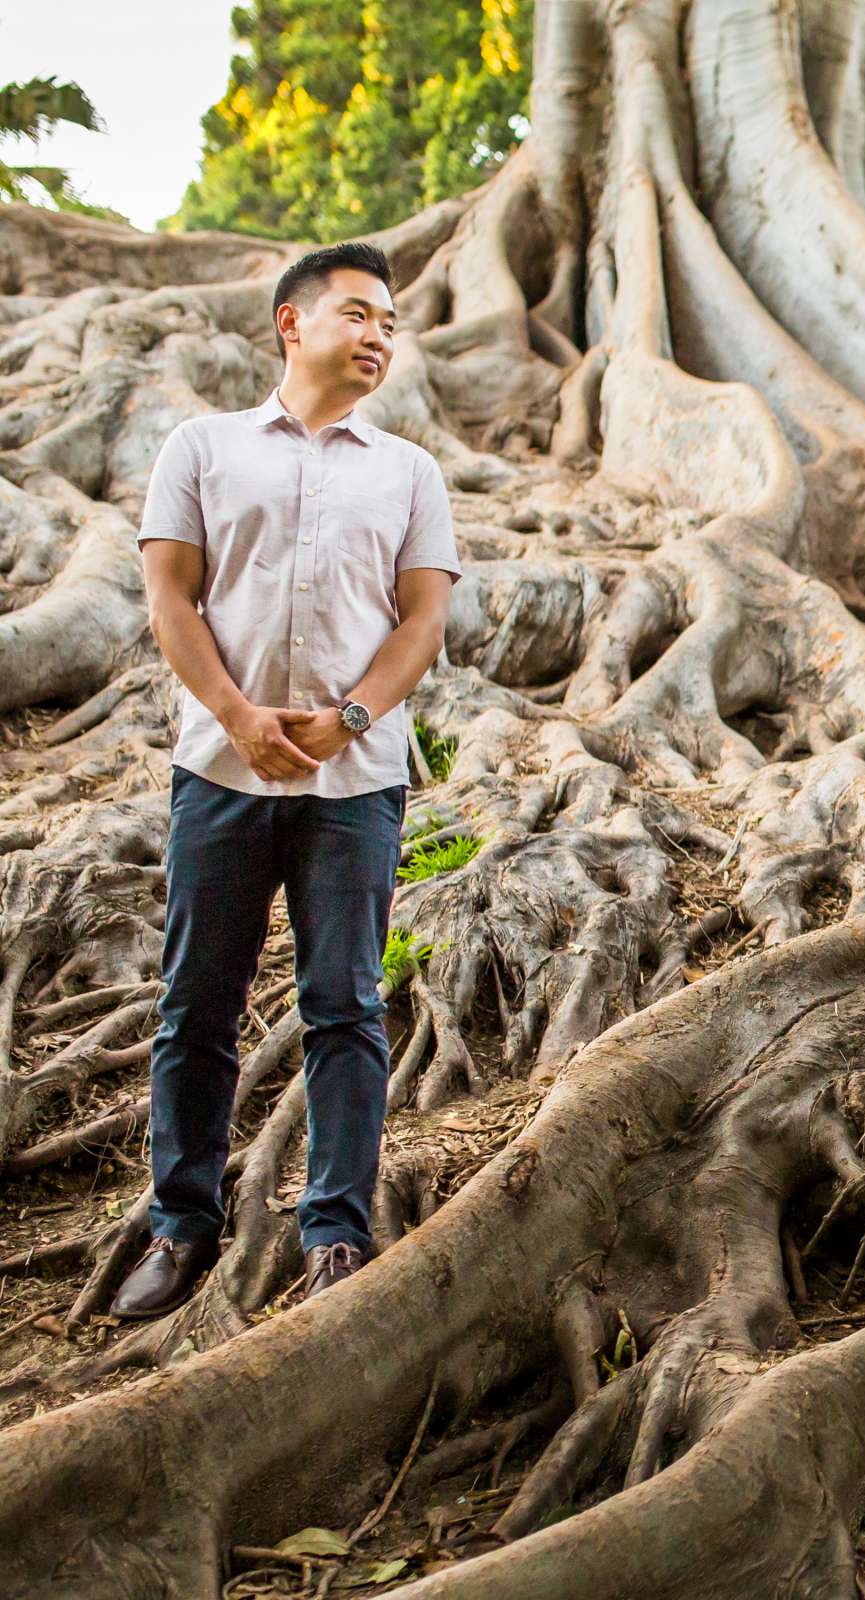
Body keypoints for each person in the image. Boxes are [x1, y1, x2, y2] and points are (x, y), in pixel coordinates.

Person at [112, 241, 461, 1320]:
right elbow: (172, 599)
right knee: (195, 1005)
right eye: (358, 314)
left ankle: (336, 1233)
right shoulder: (202, 449)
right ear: (290, 324)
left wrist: (350, 715)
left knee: (347, 1006)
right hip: (219, 772)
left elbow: (422, 620)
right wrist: (238, 717)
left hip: (354, 782)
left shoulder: (408, 471)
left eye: (391, 325)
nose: (377, 337)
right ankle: (182, 1227)